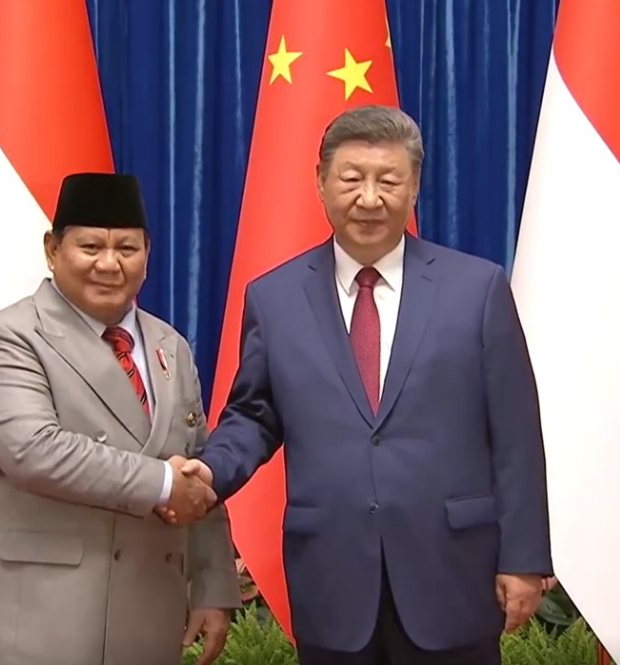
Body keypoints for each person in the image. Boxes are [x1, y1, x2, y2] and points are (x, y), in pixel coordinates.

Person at [174, 105, 553, 665]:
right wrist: (210, 472)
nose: (369, 198)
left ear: (414, 186)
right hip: (333, 576)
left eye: (388, 181)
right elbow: (254, 415)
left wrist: (524, 558)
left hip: (452, 574)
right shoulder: (275, 298)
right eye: (351, 179)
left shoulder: (477, 289)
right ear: (321, 183)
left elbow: (516, 433)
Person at [0, 173, 241, 665]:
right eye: (91, 246)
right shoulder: (8, 338)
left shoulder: (170, 347)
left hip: (145, 621)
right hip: (31, 621)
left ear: (147, 254)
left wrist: (212, 585)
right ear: (53, 250)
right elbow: (36, 451)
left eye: (127, 248)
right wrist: (164, 483)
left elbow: (197, 467)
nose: (109, 264)